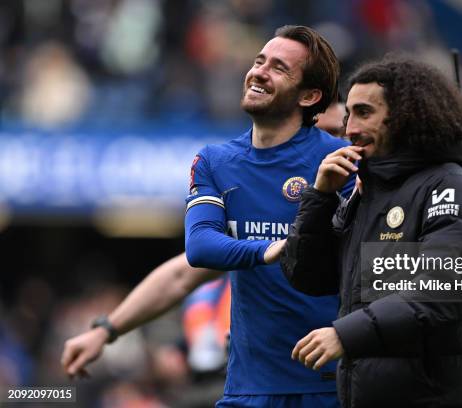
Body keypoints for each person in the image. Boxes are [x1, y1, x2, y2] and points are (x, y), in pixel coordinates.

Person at [62, 25, 353, 408]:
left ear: (310, 96)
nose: (259, 72)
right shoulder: (217, 161)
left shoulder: (341, 165)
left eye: (279, 68)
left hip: (330, 387)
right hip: (248, 389)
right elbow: (194, 257)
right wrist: (106, 329)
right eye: (259, 61)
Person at [281, 55, 462, 407]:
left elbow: (442, 292)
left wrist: (345, 335)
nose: (349, 129)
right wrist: (321, 197)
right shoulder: (367, 192)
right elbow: (309, 276)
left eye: (363, 113)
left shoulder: (451, 186)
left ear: (405, 115)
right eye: (348, 115)